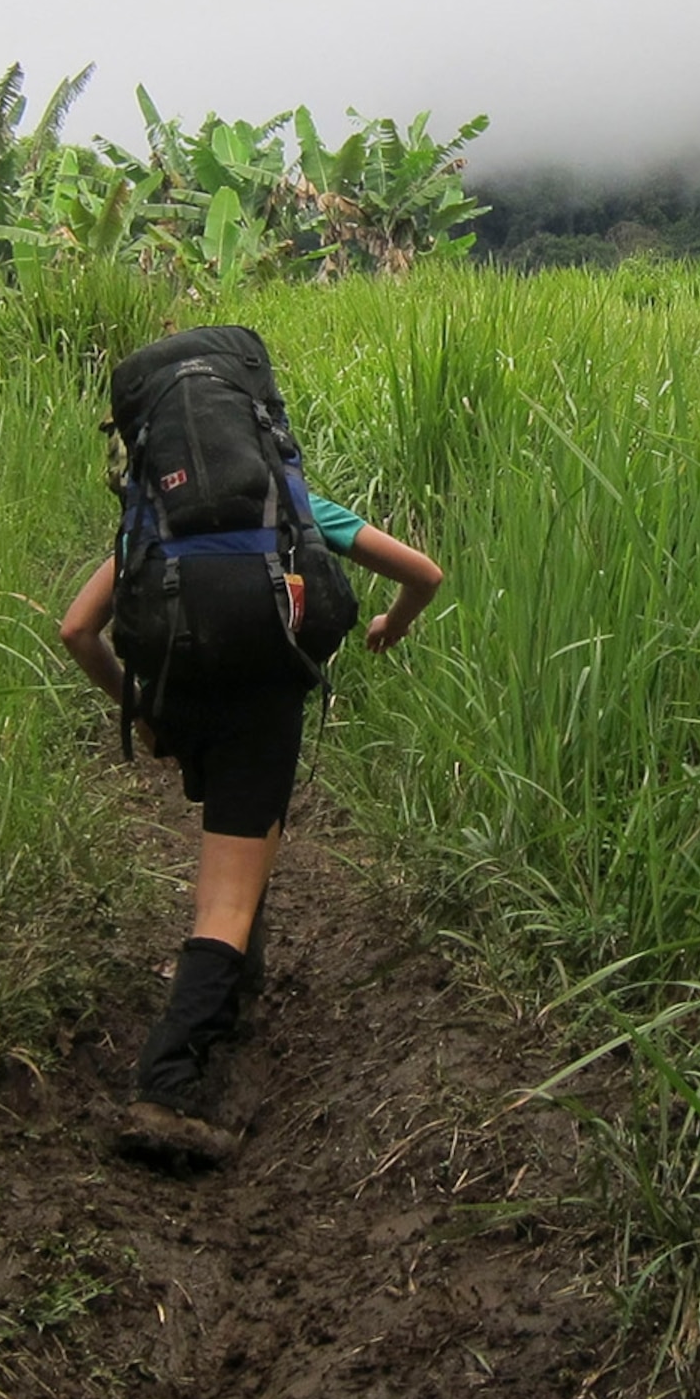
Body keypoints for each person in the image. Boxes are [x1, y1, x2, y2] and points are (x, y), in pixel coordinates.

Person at [57, 480, 442, 1166]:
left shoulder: (155, 517)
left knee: (234, 834)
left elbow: (77, 630)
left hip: (183, 696)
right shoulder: (293, 505)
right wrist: (393, 623)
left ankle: (241, 976)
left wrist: (138, 710)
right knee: (227, 895)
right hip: (261, 700)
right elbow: (424, 574)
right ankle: (166, 1085)